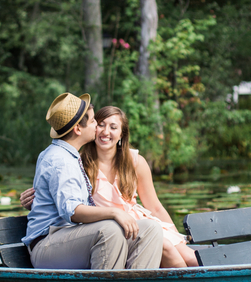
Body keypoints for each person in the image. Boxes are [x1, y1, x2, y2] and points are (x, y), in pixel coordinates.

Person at [21, 103, 198, 268]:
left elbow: (155, 206)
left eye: (113, 127)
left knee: (153, 231)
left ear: (122, 134)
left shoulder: (72, 158)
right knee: (123, 233)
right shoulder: (70, 161)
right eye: (96, 123)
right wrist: (37, 202)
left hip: (114, 226)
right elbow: (71, 208)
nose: (102, 130)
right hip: (80, 233)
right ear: (78, 129)